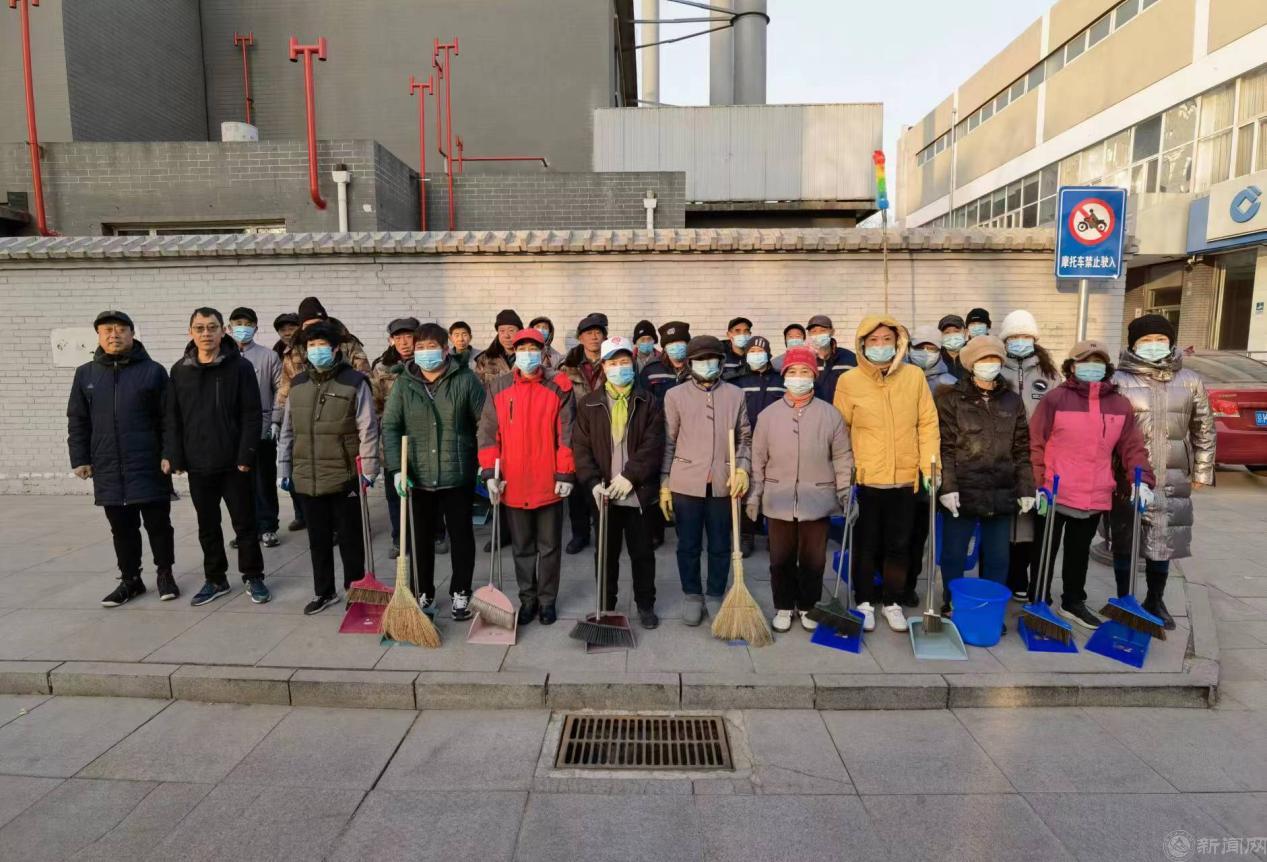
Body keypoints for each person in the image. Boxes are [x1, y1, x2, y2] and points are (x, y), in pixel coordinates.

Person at [1028, 340, 1155, 630]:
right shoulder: (1055, 399)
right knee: (1044, 550)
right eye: (1085, 361)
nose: (1091, 367)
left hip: (1095, 491)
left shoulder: (1120, 404)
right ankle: (1039, 600)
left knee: (1078, 552)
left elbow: (1132, 446)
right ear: (1072, 367)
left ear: (1106, 367)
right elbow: (1035, 442)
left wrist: (1142, 480)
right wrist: (1037, 482)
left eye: (1098, 362)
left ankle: (1073, 601)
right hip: (1054, 490)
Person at [1107, 315, 1215, 630]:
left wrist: (1203, 470)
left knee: (1163, 539)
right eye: (1146, 340)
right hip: (1126, 476)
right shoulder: (1117, 380)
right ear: (1133, 345)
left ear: (1170, 342)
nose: (1153, 345)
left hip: (1172, 473)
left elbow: (1204, 428)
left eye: (1160, 340)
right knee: (1125, 538)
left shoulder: (1190, 380)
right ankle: (1125, 600)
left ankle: (1155, 599)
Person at [833, 316, 939, 633]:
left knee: (899, 545)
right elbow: (840, 430)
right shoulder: (849, 381)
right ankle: (864, 601)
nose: (880, 345)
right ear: (863, 345)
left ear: (898, 343)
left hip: (905, 479)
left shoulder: (914, 377)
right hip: (865, 479)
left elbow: (927, 423)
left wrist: (930, 466)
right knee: (865, 544)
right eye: (874, 340)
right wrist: (844, 474)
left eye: (886, 340)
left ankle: (892, 602)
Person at [68, 310, 177, 607]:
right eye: (107, 330)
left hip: (148, 462)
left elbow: (168, 418)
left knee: (158, 524)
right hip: (108, 465)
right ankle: (130, 579)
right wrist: (80, 458)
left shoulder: (153, 371)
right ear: (99, 336)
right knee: (121, 528)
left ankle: (165, 574)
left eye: (120, 329)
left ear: (132, 333)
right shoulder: (86, 374)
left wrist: (169, 453)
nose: (113, 334)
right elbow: (78, 419)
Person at [164, 307, 268, 607]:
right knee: (207, 526)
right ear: (190, 332)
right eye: (199, 328)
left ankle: (253, 575)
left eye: (212, 327)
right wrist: (174, 455)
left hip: (235, 463)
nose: (206, 333)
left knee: (245, 524)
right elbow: (173, 417)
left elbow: (252, 414)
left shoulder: (240, 367)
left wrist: (246, 454)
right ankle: (216, 579)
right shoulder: (180, 370)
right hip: (199, 463)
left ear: (223, 331)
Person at [747, 347, 853, 632]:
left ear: (814, 375)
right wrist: (755, 495)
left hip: (817, 497)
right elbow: (758, 458)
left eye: (804, 371)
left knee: (813, 559)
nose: (798, 377)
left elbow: (842, 457)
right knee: (780, 558)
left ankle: (808, 604)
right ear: (784, 376)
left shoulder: (830, 415)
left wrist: (845, 492)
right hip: (778, 497)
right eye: (792, 372)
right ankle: (783, 605)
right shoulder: (768, 416)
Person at [383, 323, 486, 619]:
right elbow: (391, 426)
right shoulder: (404, 384)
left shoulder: (465, 380)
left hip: (457, 474)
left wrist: (484, 461)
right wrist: (396, 469)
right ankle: (423, 591)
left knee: (461, 536)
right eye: (420, 348)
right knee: (420, 539)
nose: (425, 353)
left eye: (432, 347)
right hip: (417, 475)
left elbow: (484, 423)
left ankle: (461, 591)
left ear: (445, 349)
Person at [277, 322, 380, 615]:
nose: (316, 350)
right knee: (318, 540)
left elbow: (368, 428)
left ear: (335, 349)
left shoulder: (354, 382)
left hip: (345, 474)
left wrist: (369, 468)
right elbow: (288, 430)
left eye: (322, 345)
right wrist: (284, 468)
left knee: (350, 539)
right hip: (307, 475)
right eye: (311, 346)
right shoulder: (298, 384)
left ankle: (355, 590)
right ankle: (324, 591)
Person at [477, 328, 576, 626]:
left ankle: (547, 601)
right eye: (522, 349)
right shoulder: (499, 387)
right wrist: (489, 473)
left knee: (550, 547)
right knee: (522, 547)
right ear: (515, 353)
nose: (527, 354)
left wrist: (565, 473)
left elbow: (566, 435)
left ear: (543, 353)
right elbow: (488, 433)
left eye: (533, 348)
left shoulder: (558, 387)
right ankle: (528, 599)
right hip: (513, 482)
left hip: (548, 482)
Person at [935, 336, 1035, 621]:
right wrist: (948, 486)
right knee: (954, 554)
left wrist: (1026, 487)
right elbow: (945, 447)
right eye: (983, 359)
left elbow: (1021, 448)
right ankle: (952, 603)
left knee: (998, 558)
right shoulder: (951, 399)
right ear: (971, 364)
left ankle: (988, 610)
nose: (989, 364)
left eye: (994, 359)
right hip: (963, 490)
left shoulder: (1012, 401)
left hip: (1001, 491)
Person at [573, 336, 666, 629]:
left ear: (632, 364)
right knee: (606, 555)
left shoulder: (648, 401)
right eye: (613, 363)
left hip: (638, 493)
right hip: (604, 495)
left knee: (642, 554)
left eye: (624, 361)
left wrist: (630, 476)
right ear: (603, 366)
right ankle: (606, 605)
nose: (619, 367)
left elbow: (653, 444)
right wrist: (592, 482)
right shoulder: (589, 404)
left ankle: (645, 604)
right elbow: (581, 448)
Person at [661, 335, 752, 626]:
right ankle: (692, 594)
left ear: (721, 361)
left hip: (724, 481)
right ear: (690, 364)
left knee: (720, 543)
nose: (706, 364)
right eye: (700, 359)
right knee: (688, 543)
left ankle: (714, 593)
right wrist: (664, 482)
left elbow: (745, 436)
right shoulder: (675, 396)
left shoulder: (735, 394)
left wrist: (742, 468)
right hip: (686, 481)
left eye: (711, 358)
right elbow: (668, 442)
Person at [998, 309, 1060, 600]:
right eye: (1014, 337)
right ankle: (1004, 575)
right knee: (1004, 519)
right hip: (1002, 455)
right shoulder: (996, 369)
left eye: (1026, 336)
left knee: (1029, 521)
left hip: (1037, 457)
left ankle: (1023, 576)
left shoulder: (1049, 374)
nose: (1020, 341)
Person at [902, 324, 957, 606]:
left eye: (931, 348)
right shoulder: (899, 376)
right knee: (896, 531)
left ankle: (909, 584)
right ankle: (888, 581)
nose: (925, 352)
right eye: (919, 347)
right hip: (900, 465)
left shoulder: (950, 383)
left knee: (918, 534)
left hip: (931, 466)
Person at [229, 307, 283, 549]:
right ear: (229, 327)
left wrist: (275, 420)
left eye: (248, 323)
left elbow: (280, 390)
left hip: (262, 428)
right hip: (232, 431)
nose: (243, 327)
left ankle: (268, 526)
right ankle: (245, 529)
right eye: (238, 323)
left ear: (256, 328)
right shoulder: (224, 357)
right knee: (238, 485)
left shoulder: (268, 356)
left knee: (263, 480)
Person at [370, 317, 421, 559]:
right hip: (392, 440)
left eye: (408, 336)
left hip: (422, 439)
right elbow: (375, 405)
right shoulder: (382, 367)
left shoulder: (427, 363)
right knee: (395, 494)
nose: (404, 342)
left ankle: (435, 533)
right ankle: (400, 538)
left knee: (425, 491)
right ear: (391, 340)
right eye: (398, 337)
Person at [733, 335, 785, 557]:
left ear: (768, 353)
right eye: (752, 351)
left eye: (760, 351)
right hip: (748, 441)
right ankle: (747, 535)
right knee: (747, 488)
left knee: (774, 488)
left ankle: (774, 536)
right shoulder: (738, 381)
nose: (756, 355)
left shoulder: (780, 380)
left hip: (777, 442)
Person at [561, 313, 608, 554]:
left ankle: (604, 533)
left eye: (598, 332)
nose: (594, 337)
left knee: (603, 485)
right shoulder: (567, 367)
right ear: (580, 338)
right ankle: (580, 534)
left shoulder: (614, 361)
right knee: (578, 490)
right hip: (576, 434)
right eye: (589, 333)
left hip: (606, 433)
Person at [278, 296, 370, 409]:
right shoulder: (294, 350)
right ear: (301, 328)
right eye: (308, 326)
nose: (313, 329)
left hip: (341, 407)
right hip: (304, 410)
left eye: (317, 323)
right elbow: (285, 390)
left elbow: (366, 378)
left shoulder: (347, 343)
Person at [272, 312, 305, 531]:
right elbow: (280, 390)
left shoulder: (306, 348)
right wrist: (276, 419)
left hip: (305, 414)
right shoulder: (277, 353)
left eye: (291, 327)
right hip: (286, 418)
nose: (287, 332)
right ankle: (300, 514)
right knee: (289, 466)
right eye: (282, 329)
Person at [806, 315, 857, 401]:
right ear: (809, 334)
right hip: (816, 408)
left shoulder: (849, 358)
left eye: (823, 330)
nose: (818, 334)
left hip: (842, 408)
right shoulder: (806, 360)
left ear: (832, 331)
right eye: (814, 331)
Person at [640, 320, 690, 406]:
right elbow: (645, 402)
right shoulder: (651, 370)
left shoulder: (697, 367)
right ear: (665, 348)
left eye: (680, 341)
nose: (676, 346)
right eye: (671, 343)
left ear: (687, 344)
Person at [474, 309, 523, 387]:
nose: (506, 335)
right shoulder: (484, 359)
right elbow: (477, 388)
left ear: (520, 331)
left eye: (511, 330)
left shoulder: (529, 357)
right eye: (502, 331)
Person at [938, 314, 967, 379]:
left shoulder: (973, 354)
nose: (952, 335)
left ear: (965, 332)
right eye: (947, 332)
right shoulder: (936, 358)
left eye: (956, 331)